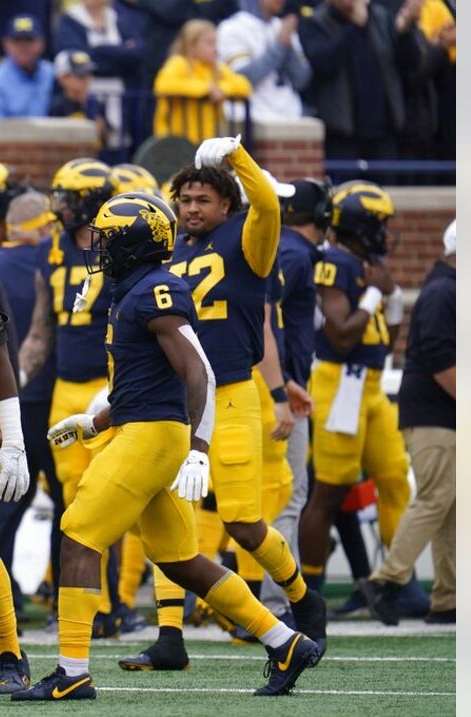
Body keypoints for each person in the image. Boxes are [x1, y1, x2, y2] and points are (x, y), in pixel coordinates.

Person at [13, 190, 320, 701]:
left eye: (109, 238)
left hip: (154, 438)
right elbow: (144, 383)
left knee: (78, 534)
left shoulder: (154, 291)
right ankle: (285, 642)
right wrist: (94, 423)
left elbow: (197, 368)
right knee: (179, 560)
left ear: (134, 244)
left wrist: (200, 446)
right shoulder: (137, 289)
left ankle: (71, 672)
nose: (99, 246)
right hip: (145, 427)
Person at [124, 137, 326, 672]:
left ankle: (303, 597)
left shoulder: (247, 239)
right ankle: (170, 636)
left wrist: (237, 159)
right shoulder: (171, 251)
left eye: (203, 199)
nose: (192, 207)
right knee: (170, 519)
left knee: (241, 521)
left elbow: (266, 202)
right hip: (173, 398)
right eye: (185, 199)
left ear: (225, 204)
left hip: (234, 393)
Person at [16, 158, 119, 634]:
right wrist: (13, 384)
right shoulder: (50, 252)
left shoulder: (121, 250)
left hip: (109, 388)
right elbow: (42, 329)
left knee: (106, 497)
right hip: (63, 391)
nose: (59, 206)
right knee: (72, 501)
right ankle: (79, 605)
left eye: (69, 197)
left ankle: (111, 603)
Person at [297, 180, 411, 598]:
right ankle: (309, 587)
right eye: (379, 223)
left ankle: (399, 579)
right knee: (329, 490)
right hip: (338, 383)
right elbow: (343, 335)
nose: (384, 232)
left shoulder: (365, 265)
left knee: (395, 476)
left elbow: (381, 339)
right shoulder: (335, 263)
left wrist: (392, 297)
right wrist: (374, 296)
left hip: (371, 385)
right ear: (360, 226)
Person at [367, 219, 456, 625]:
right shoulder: (444, 291)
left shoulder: (447, 288)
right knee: (435, 498)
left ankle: (448, 598)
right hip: (435, 415)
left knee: (450, 505)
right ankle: (387, 580)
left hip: (439, 414)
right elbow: (439, 356)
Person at [0, 190, 61, 619]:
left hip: (10, 402)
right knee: (71, 502)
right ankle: (62, 597)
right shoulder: (55, 262)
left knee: (6, 500)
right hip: (63, 396)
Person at [257, 177, 327, 619]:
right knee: (287, 495)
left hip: (273, 384)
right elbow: (265, 322)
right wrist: (281, 385)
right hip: (276, 388)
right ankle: (280, 600)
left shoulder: (287, 252)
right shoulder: (295, 255)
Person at [298, 0, 428, 178]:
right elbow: (323, 63)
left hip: (383, 135)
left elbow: (410, 65)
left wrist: (405, 32)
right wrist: (354, 28)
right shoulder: (315, 22)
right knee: (345, 199)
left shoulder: (381, 17)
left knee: (385, 200)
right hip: (342, 136)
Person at [54, 0, 146, 156]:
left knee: (121, 150)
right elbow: (74, 58)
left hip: (122, 99)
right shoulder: (70, 19)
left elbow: (137, 55)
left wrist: (99, 52)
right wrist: (120, 54)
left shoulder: (122, 17)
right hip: (86, 98)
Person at [152, 19, 252, 145]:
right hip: (176, 142)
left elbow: (245, 86)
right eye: (209, 43)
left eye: (216, 43)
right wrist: (205, 89)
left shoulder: (216, 68)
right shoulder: (179, 63)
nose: (215, 49)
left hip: (208, 141)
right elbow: (162, 86)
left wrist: (222, 89)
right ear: (191, 46)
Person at [217, 0, 312, 123]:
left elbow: (301, 80)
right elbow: (243, 78)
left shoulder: (283, 26)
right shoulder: (232, 28)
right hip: (249, 117)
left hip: (290, 114)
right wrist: (280, 46)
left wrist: (289, 50)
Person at [0, 14, 55, 125]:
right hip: (10, 141)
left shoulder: (53, 74)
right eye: (17, 41)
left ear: (42, 43)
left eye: (29, 40)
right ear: (6, 44)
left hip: (53, 140)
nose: (24, 47)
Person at [49, 50, 109, 150]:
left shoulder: (96, 104)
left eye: (89, 74)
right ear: (63, 78)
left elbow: (106, 140)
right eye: (80, 76)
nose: (86, 80)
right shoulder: (57, 107)